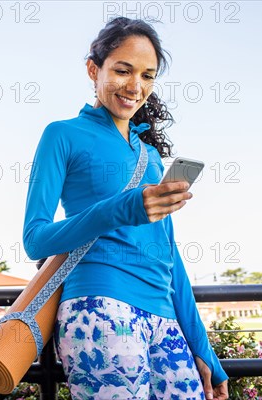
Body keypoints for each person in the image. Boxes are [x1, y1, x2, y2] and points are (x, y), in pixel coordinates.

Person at [22, 17, 229, 400]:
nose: (135, 86)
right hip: (100, 307)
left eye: (147, 76)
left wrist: (203, 349)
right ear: (92, 69)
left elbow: (168, 253)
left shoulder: (149, 156)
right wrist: (123, 207)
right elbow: (35, 239)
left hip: (165, 319)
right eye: (122, 70)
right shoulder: (62, 134)